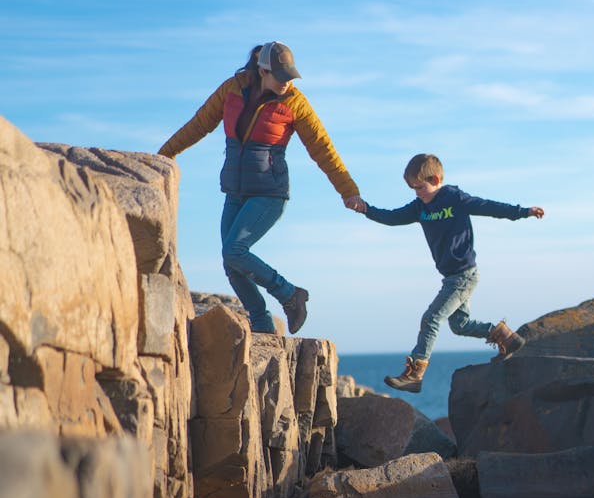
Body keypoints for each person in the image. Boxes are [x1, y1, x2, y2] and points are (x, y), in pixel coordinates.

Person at [159, 42, 364, 336]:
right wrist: (164, 155)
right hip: (234, 190)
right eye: (281, 76)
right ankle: (263, 325)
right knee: (232, 263)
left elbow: (322, 148)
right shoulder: (232, 89)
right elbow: (199, 124)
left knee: (235, 250)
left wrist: (348, 190)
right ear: (262, 70)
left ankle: (290, 294)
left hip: (269, 193)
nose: (287, 82)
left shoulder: (295, 103)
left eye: (290, 76)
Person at [346, 153, 544, 392]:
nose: (417, 192)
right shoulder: (420, 207)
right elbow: (393, 217)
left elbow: (489, 207)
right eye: (413, 188)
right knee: (459, 325)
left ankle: (415, 372)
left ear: (436, 179)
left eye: (421, 187)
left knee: (431, 318)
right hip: (451, 277)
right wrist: (366, 209)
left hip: (464, 275)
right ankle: (505, 336)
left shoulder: (454, 198)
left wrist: (523, 211)